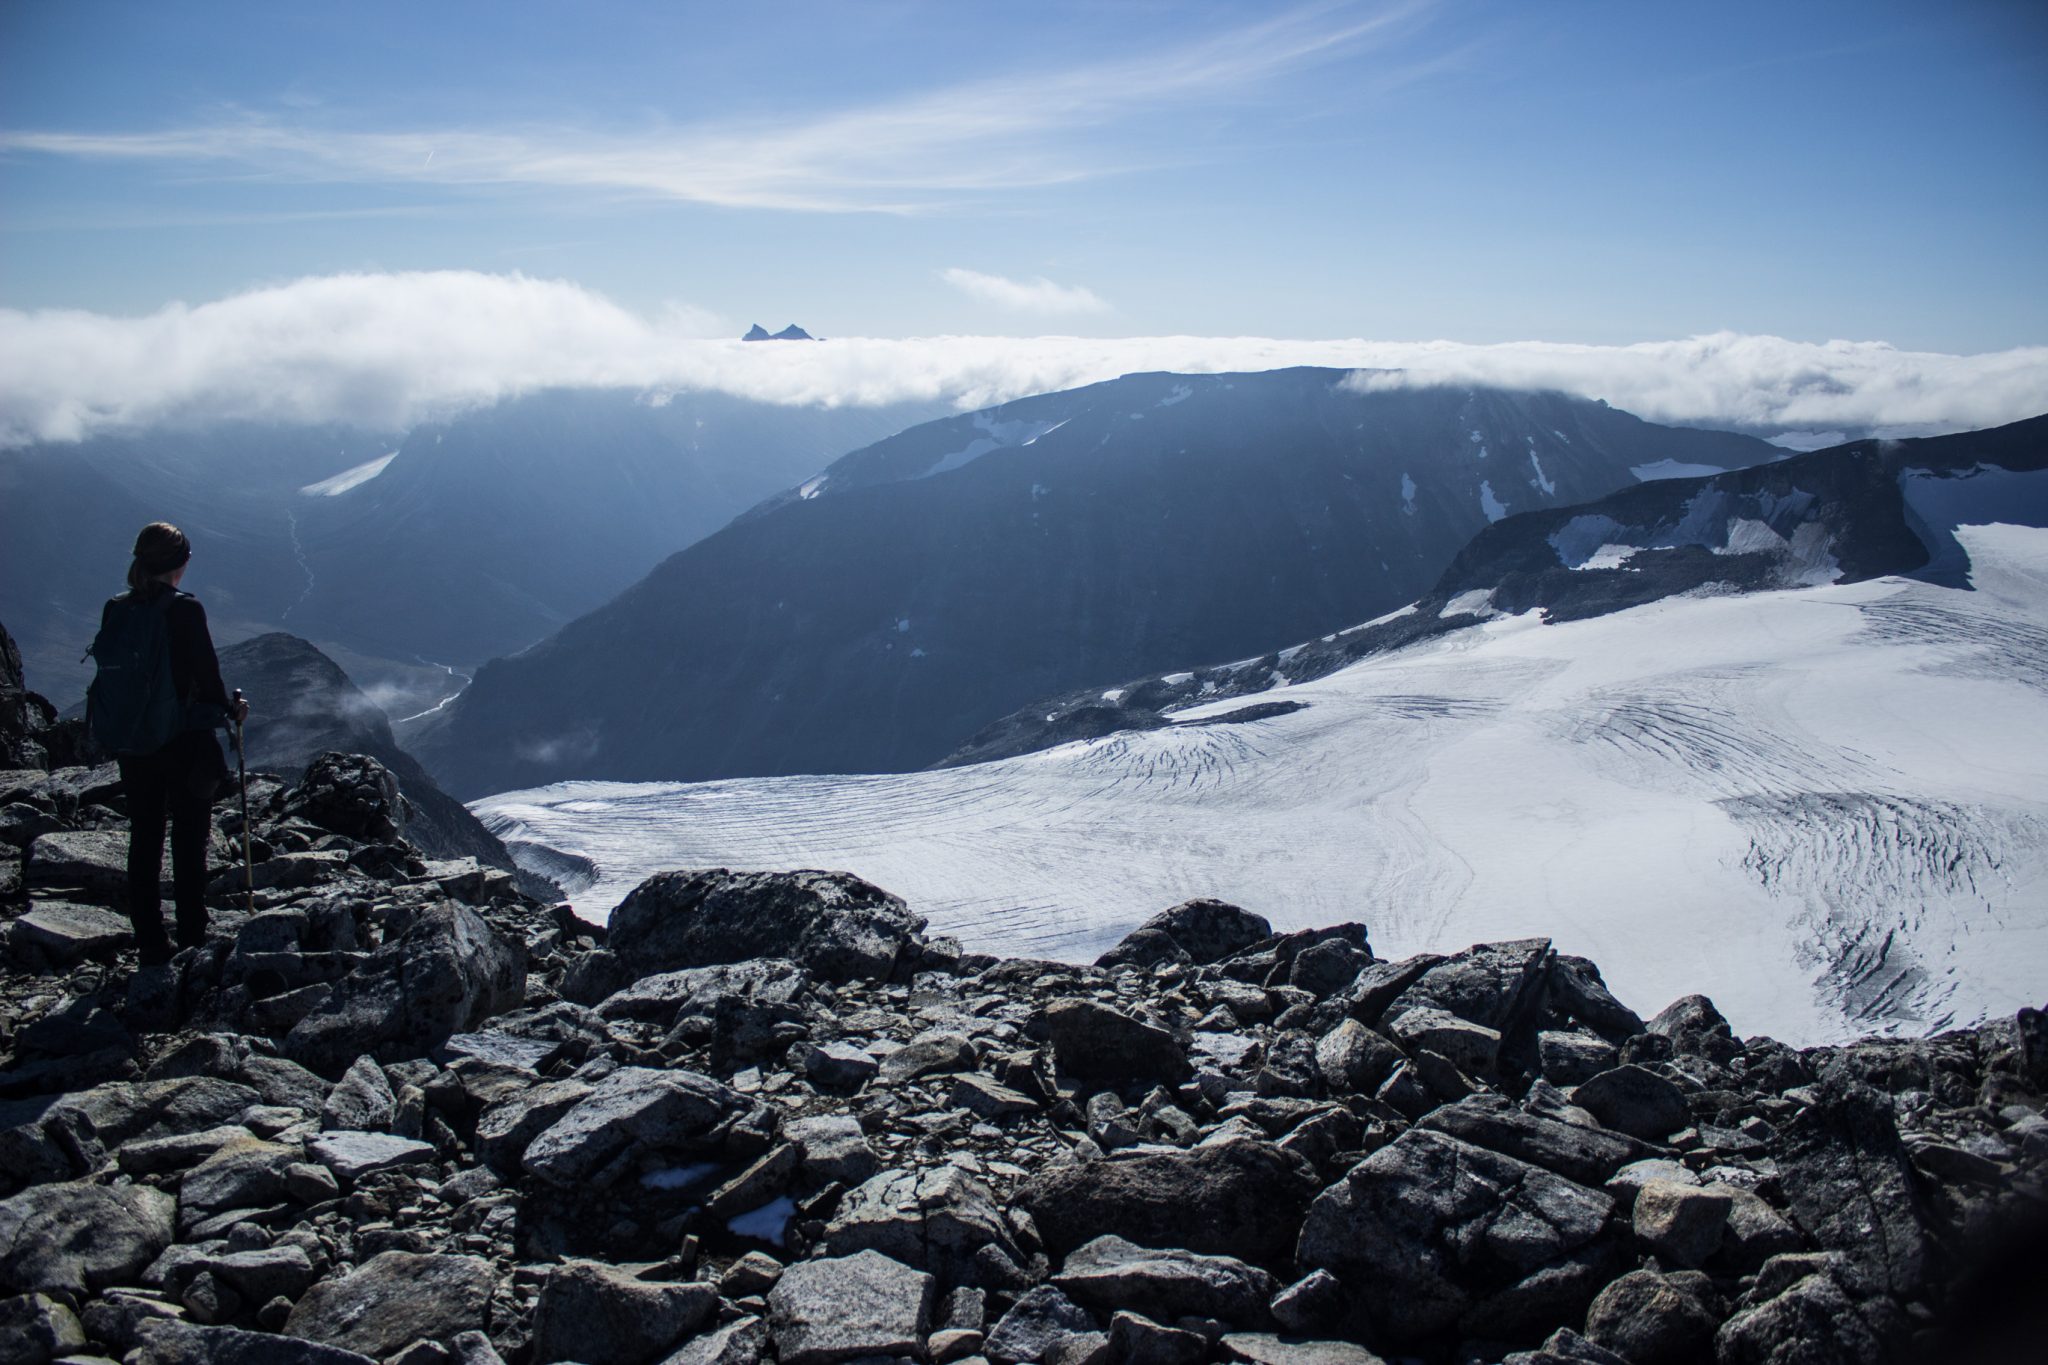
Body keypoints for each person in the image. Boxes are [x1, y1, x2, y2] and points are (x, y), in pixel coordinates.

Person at [104, 522, 249, 964]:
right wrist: (232, 709)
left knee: (144, 836)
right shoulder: (185, 610)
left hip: (133, 741)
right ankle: (191, 934)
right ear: (179, 564)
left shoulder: (117, 608)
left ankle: (149, 939)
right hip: (183, 739)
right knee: (189, 837)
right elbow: (207, 680)